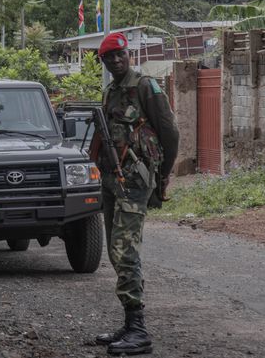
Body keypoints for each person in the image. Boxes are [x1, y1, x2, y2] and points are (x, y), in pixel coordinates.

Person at [93, 32, 179, 356]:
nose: (116, 60)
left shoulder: (146, 87)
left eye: (120, 55)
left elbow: (169, 132)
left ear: (128, 55)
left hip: (136, 180)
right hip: (112, 181)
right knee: (116, 253)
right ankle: (129, 325)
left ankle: (139, 330)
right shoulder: (110, 92)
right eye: (109, 57)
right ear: (103, 61)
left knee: (124, 250)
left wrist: (163, 176)